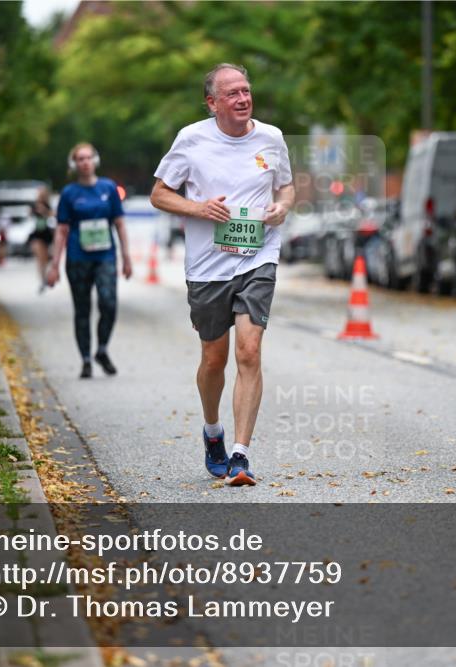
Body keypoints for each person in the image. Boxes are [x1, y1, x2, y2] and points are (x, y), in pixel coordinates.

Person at [150, 63, 294, 487]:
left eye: (246, 90)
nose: (243, 98)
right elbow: (159, 194)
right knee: (214, 359)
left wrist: (282, 207)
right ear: (212, 102)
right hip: (208, 267)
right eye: (231, 93)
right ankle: (213, 432)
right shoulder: (191, 139)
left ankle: (241, 455)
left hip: (257, 257)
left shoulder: (272, 138)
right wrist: (199, 208)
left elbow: (285, 187)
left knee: (249, 351)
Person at [46, 142, 132, 378]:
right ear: (74, 165)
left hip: (105, 256)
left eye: (88, 158)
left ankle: (101, 349)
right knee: (82, 310)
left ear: (95, 160)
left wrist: (126, 257)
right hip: (77, 257)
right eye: (80, 159)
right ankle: (85, 359)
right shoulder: (69, 194)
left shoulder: (108, 188)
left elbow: (120, 224)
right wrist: (54, 266)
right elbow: (61, 230)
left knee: (109, 304)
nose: (85, 162)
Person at [29, 186, 55, 293]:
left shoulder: (48, 206)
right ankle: (42, 279)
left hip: (47, 234)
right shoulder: (34, 205)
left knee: (46, 258)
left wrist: (45, 211)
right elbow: (30, 216)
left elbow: (52, 216)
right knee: (40, 258)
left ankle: (45, 276)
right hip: (37, 234)